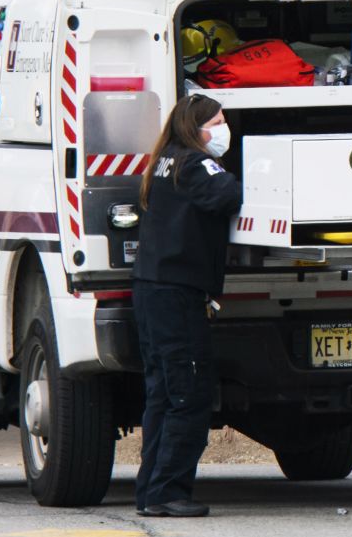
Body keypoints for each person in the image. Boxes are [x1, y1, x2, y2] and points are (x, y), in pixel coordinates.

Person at [132, 94, 242, 518]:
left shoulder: (165, 160)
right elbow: (225, 195)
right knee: (189, 394)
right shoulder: (195, 165)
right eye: (217, 120)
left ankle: (152, 491)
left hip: (154, 290)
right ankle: (168, 492)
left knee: (162, 393)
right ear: (195, 128)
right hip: (176, 294)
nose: (223, 127)